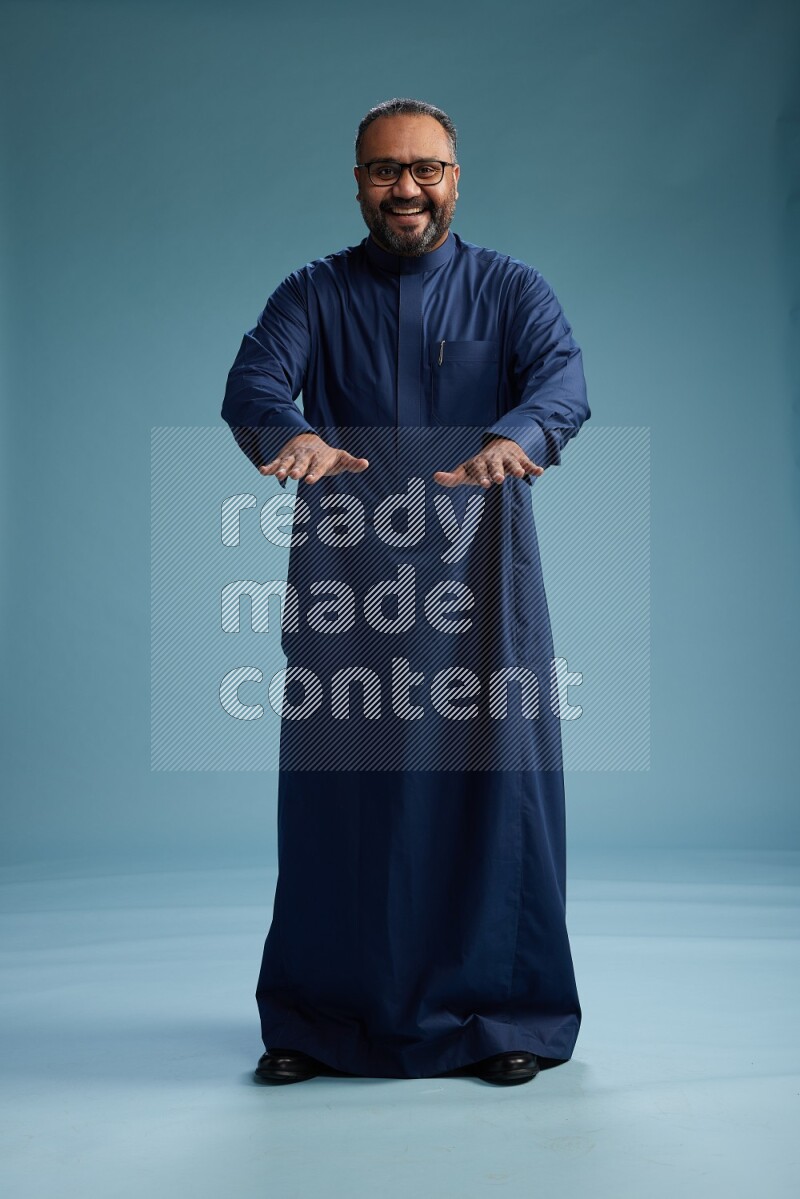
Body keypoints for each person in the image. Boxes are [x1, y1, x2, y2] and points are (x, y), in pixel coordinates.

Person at [221, 97, 590, 1087]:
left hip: (483, 578)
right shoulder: (313, 292)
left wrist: (519, 434)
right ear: (356, 183)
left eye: (424, 168)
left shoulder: (509, 289)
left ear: (454, 179)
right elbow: (255, 379)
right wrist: (282, 431)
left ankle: (503, 1010)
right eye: (384, 170)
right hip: (351, 575)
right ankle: (316, 1017)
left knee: (493, 788)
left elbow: (561, 378)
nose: (406, 187)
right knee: (339, 792)